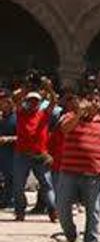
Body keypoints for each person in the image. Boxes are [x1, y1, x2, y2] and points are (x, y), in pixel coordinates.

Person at [55, 93, 100, 242]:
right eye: (90, 99)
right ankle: (72, 236)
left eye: (97, 101)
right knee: (61, 207)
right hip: (69, 172)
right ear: (81, 102)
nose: (93, 103)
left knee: (94, 210)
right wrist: (80, 114)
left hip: (94, 173)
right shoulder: (69, 117)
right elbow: (64, 129)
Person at [12, 90, 56, 222]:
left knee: (47, 184)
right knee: (18, 185)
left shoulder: (43, 114)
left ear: (39, 103)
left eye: (36, 101)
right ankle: (20, 211)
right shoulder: (21, 113)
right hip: (22, 154)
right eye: (30, 100)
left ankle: (53, 210)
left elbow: (53, 103)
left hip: (40, 155)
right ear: (27, 102)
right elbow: (15, 99)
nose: (33, 103)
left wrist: (50, 90)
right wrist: (21, 91)